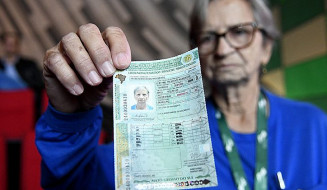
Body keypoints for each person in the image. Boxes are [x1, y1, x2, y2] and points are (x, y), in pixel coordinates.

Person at [36, 0, 327, 189]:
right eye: (209, 37)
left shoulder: (313, 126)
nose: (223, 50)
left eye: (240, 32)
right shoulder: (163, 129)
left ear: (266, 48)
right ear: (196, 54)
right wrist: (70, 118)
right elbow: (75, 182)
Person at [0, 32, 44, 120]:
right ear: (4, 45)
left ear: (18, 45)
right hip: (4, 101)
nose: (11, 46)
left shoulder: (29, 64)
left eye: (13, 43)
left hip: (24, 99)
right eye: (8, 44)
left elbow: (39, 86)